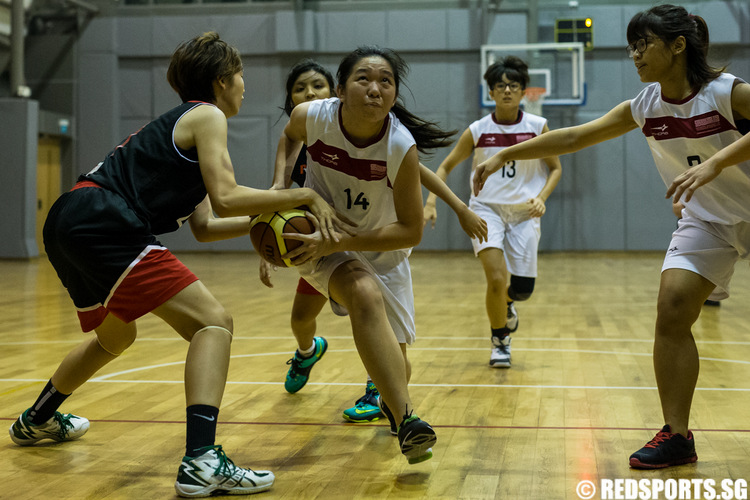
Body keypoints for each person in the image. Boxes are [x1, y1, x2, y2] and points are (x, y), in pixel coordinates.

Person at [8, 32, 352, 497]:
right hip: (107, 221)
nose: (244, 85)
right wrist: (304, 194)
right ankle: (201, 461)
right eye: (240, 75)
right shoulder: (206, 114)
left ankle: (37, 420)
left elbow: (206, 225)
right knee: (214, 323)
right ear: (221, 81)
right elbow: (230, 198)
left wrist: (270, 224)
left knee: (115, 336)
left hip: (71, 218)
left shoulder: (187, 125)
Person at [473, 4, 750, 469]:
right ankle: (677, 435)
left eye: (644, 44)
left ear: (678, 45)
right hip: (711, 220)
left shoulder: (728, 92)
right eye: (632, 46)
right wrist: (506, 155)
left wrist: (718, 162)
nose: (634, 54)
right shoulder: (645, 106)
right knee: (673, 307)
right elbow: (572, 138)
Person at [262, 59, 487, 429]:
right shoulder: (313, 120)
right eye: (363, 78)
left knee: (397, 364)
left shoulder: (398, 144)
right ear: (341, 91)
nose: (374, 88)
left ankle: (386, 394)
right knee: (313, 313)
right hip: (324, 239)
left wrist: (459, 207)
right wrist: (278, 188)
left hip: (380, 247)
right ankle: (403, 419)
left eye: (386, 81)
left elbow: (413, 220)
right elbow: (289, 135)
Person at [424, 56, 561, 368]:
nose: (507, 91)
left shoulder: (538, 127)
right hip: (486, 210)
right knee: (496, 279)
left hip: (525, 212)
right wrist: (430, 202)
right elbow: (445, 166)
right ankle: (500, 340)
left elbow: (555, 169)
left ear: (525, 91)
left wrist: (541, 197)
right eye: (501, 86)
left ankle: (509, 304)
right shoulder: (478, 130)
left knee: (522, 290)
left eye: (513, 86)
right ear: (491, 92)